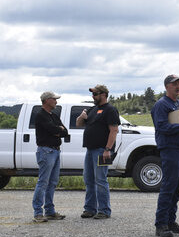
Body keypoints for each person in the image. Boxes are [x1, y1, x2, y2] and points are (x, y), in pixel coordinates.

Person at [76, 84, 120, 219]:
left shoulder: (110, 110)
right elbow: (79, 124)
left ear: (103, 95)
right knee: (89, 179)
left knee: (100, 180)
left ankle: (104, 210)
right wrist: (82, 116)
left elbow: (114, 130)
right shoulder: (93, 109)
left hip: (102, 150)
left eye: (95, 94)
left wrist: (107, 149)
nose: (93, 96)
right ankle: (89, 209)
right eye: (92, 94)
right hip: (90, 150)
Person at [151, 74, 179, 237]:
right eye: (174, 84)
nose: (178, 86)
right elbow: (162, 127)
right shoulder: (161, 105)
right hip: (169, 149)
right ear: (167, 86)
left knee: (178, 186)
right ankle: (161, 224)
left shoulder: (178, 103)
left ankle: (171, 220)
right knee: (168, 186)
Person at [32, 91, 69, 223]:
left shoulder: (53, 115)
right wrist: (57, 130)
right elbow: (54, 130)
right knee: (43, 182)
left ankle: (49, 211)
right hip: (46, 151)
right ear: (47, 100)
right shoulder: (41, 116)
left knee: (52, 182)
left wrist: (58, 130)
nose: (56, 102)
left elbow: (65, 132)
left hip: (55, 151)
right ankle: (37, 213)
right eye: (54, 99)